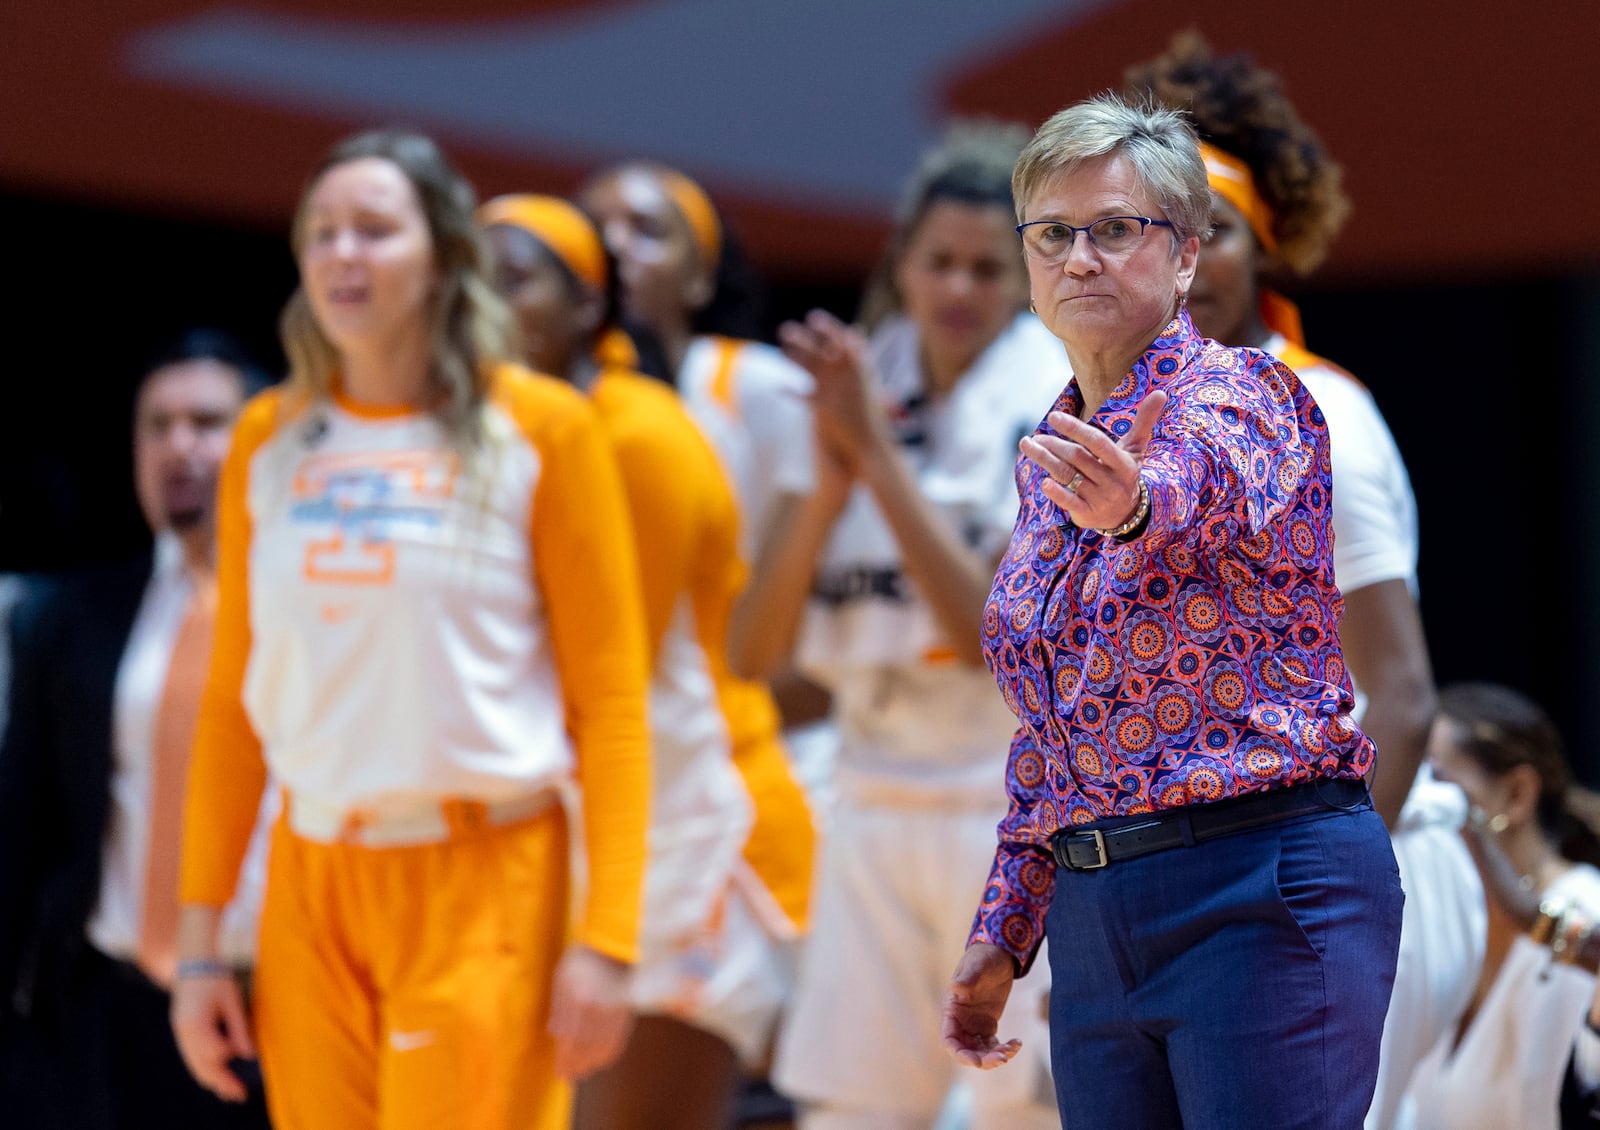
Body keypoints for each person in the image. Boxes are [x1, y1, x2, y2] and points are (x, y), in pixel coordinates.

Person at [168, 130, 652, 1130]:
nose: (343, 253)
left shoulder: (544, 430)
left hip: (487, 875)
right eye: (322, 232)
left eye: (374, 231)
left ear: (440, 255)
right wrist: (201, 942)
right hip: (310, 880)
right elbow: (232, 704)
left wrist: (608, 939)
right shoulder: (267, 435)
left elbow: (610, 703)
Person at [939, 93, 1404, 1130]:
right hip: (1099, 907)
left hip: (1257, 883)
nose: (1080, 258)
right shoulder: (1053, 457)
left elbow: (1201, 485)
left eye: (1115, 230)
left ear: (1186, 255)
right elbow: (1051, 731)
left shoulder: (1247, 394)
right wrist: (1004, 927)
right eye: (1053, 234)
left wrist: (1137, 503)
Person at [1123, 34, 1485, 1127]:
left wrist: (1309, 911)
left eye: (1213, 233)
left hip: (1324, 870)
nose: (1183, 260)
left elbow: (1404, 699)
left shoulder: (1321, 413)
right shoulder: (1112, 424)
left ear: (1261, 252)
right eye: (1153, 230)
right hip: (1192, 884)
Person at [718, 123, 1065, 1130]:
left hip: (1003, 805)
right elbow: (750, 654)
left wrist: (875, 459)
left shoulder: (1054, 395)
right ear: (899, 266)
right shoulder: (836, 396)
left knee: (1022, 1111)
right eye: (938, 262)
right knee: (852, 1107)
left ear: (1026, 275)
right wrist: (828, 487)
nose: (958, 287)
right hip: (865, 797)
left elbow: (990, 639)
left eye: (987, 267)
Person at [477, 193, 813, 1128]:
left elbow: (606, 688)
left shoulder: (636, 436)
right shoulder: (511, 433)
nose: (488, 310)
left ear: (589, 307)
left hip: (683, 835)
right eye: (472, 286)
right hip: (591, 837)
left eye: (516, 282)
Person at [0, 330, 272, 1129]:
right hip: (103, 1009)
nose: (178, 446)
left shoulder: (315, 617)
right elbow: (24, 820)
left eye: (206, 421)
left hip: (271, 1006)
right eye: (157, 425)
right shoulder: (70, 618)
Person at [1402, 682, 1600, 1130]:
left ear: (1516, 795)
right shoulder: (1442, 925)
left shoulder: (1587, 908)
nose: (1417, 814)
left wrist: (1531, 916)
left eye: (1437, 787)